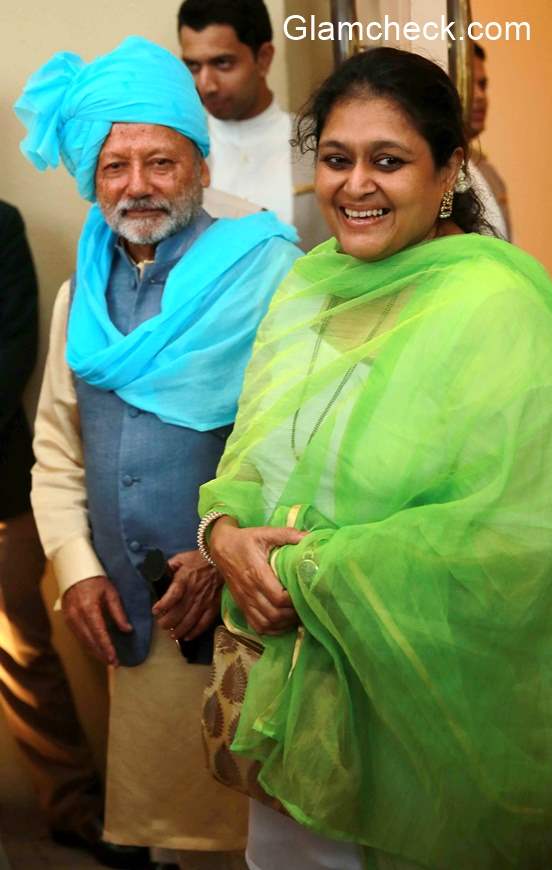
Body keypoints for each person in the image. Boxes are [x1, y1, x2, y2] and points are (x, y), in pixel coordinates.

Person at [198, 47, 552, 870]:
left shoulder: (498, 305)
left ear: (450, 171)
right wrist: (223, 534)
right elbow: (253, 450)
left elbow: (527, 534)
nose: (355, 184)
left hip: (419, 703)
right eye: (336, 160)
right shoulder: (309, 287)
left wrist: (313, 573)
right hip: (293, 690)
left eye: (389, 161)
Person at [14, 35, 301, 870]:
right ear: (90, 180)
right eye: (114, 166)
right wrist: (78, 568)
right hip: (133, 622)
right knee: (170, 840)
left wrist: (226, 551)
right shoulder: (81, 294)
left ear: (202, 166)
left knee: (256, 834)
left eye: (161, 162)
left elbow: (299, 442)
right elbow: (58, 452)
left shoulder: (270, 277)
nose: (136, 185)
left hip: (245, 605)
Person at [0, 200, 151, 869]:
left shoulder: (2, 224)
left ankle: (77, 808)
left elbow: (11, 353)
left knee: (23, 652)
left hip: (2, 489)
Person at [177, 0, 328, 251]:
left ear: (263, 58)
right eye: (193, 66)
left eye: (222, 63)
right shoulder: (179, 153)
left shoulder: (319, 143)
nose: (206, 85)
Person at [468, 43, 512, 240]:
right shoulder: (435, 173)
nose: (480, 96)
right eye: (469, 84)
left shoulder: (487, 172)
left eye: (483, 85)